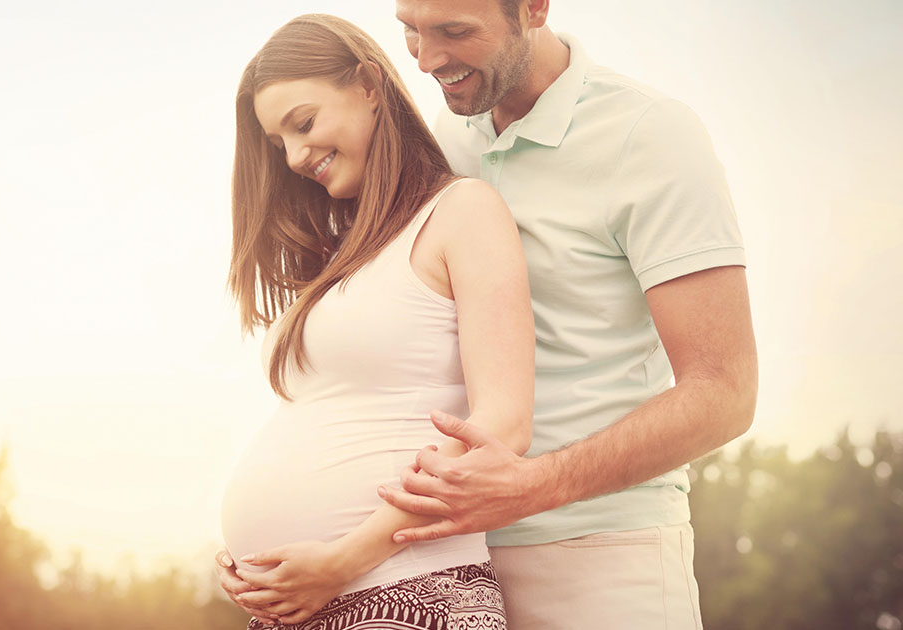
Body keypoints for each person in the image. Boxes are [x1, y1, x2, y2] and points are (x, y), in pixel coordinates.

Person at [219, 1, 758, 628]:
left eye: (454, 31)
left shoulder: (646, 134)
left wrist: (535, 486)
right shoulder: (444, 144)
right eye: (411, 32)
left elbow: (725, 392)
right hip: (444, 558)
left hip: (599, 550)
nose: (426, 60)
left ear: (533, 7)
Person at [218, 13, 534, 629]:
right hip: (309, 604)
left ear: (367, 85)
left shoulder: (461, 211)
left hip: (408, 589)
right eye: (278, 144)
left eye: (303, 124)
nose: (294, 156)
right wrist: (248, 561)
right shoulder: (343, 255)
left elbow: (502, 425)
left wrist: (343, 560)